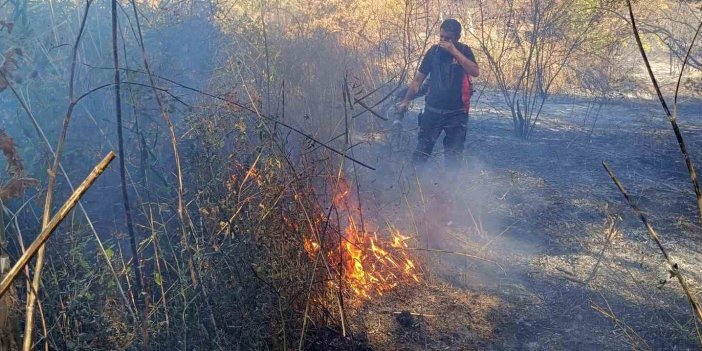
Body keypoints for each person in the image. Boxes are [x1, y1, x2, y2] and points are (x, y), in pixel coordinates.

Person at [396, 18, 479, 170]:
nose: (443, 41)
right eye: (441, 37)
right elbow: (417, 81)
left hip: (457, 114)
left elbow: (474, 71)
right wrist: (406, 100)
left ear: (457, 38)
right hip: (432, 112)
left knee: (453, 159)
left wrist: (454, 52)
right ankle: (414, 186)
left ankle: (449, 190)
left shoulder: (464, 51)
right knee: (421, 153)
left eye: (447, 38)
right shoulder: (433, 52)